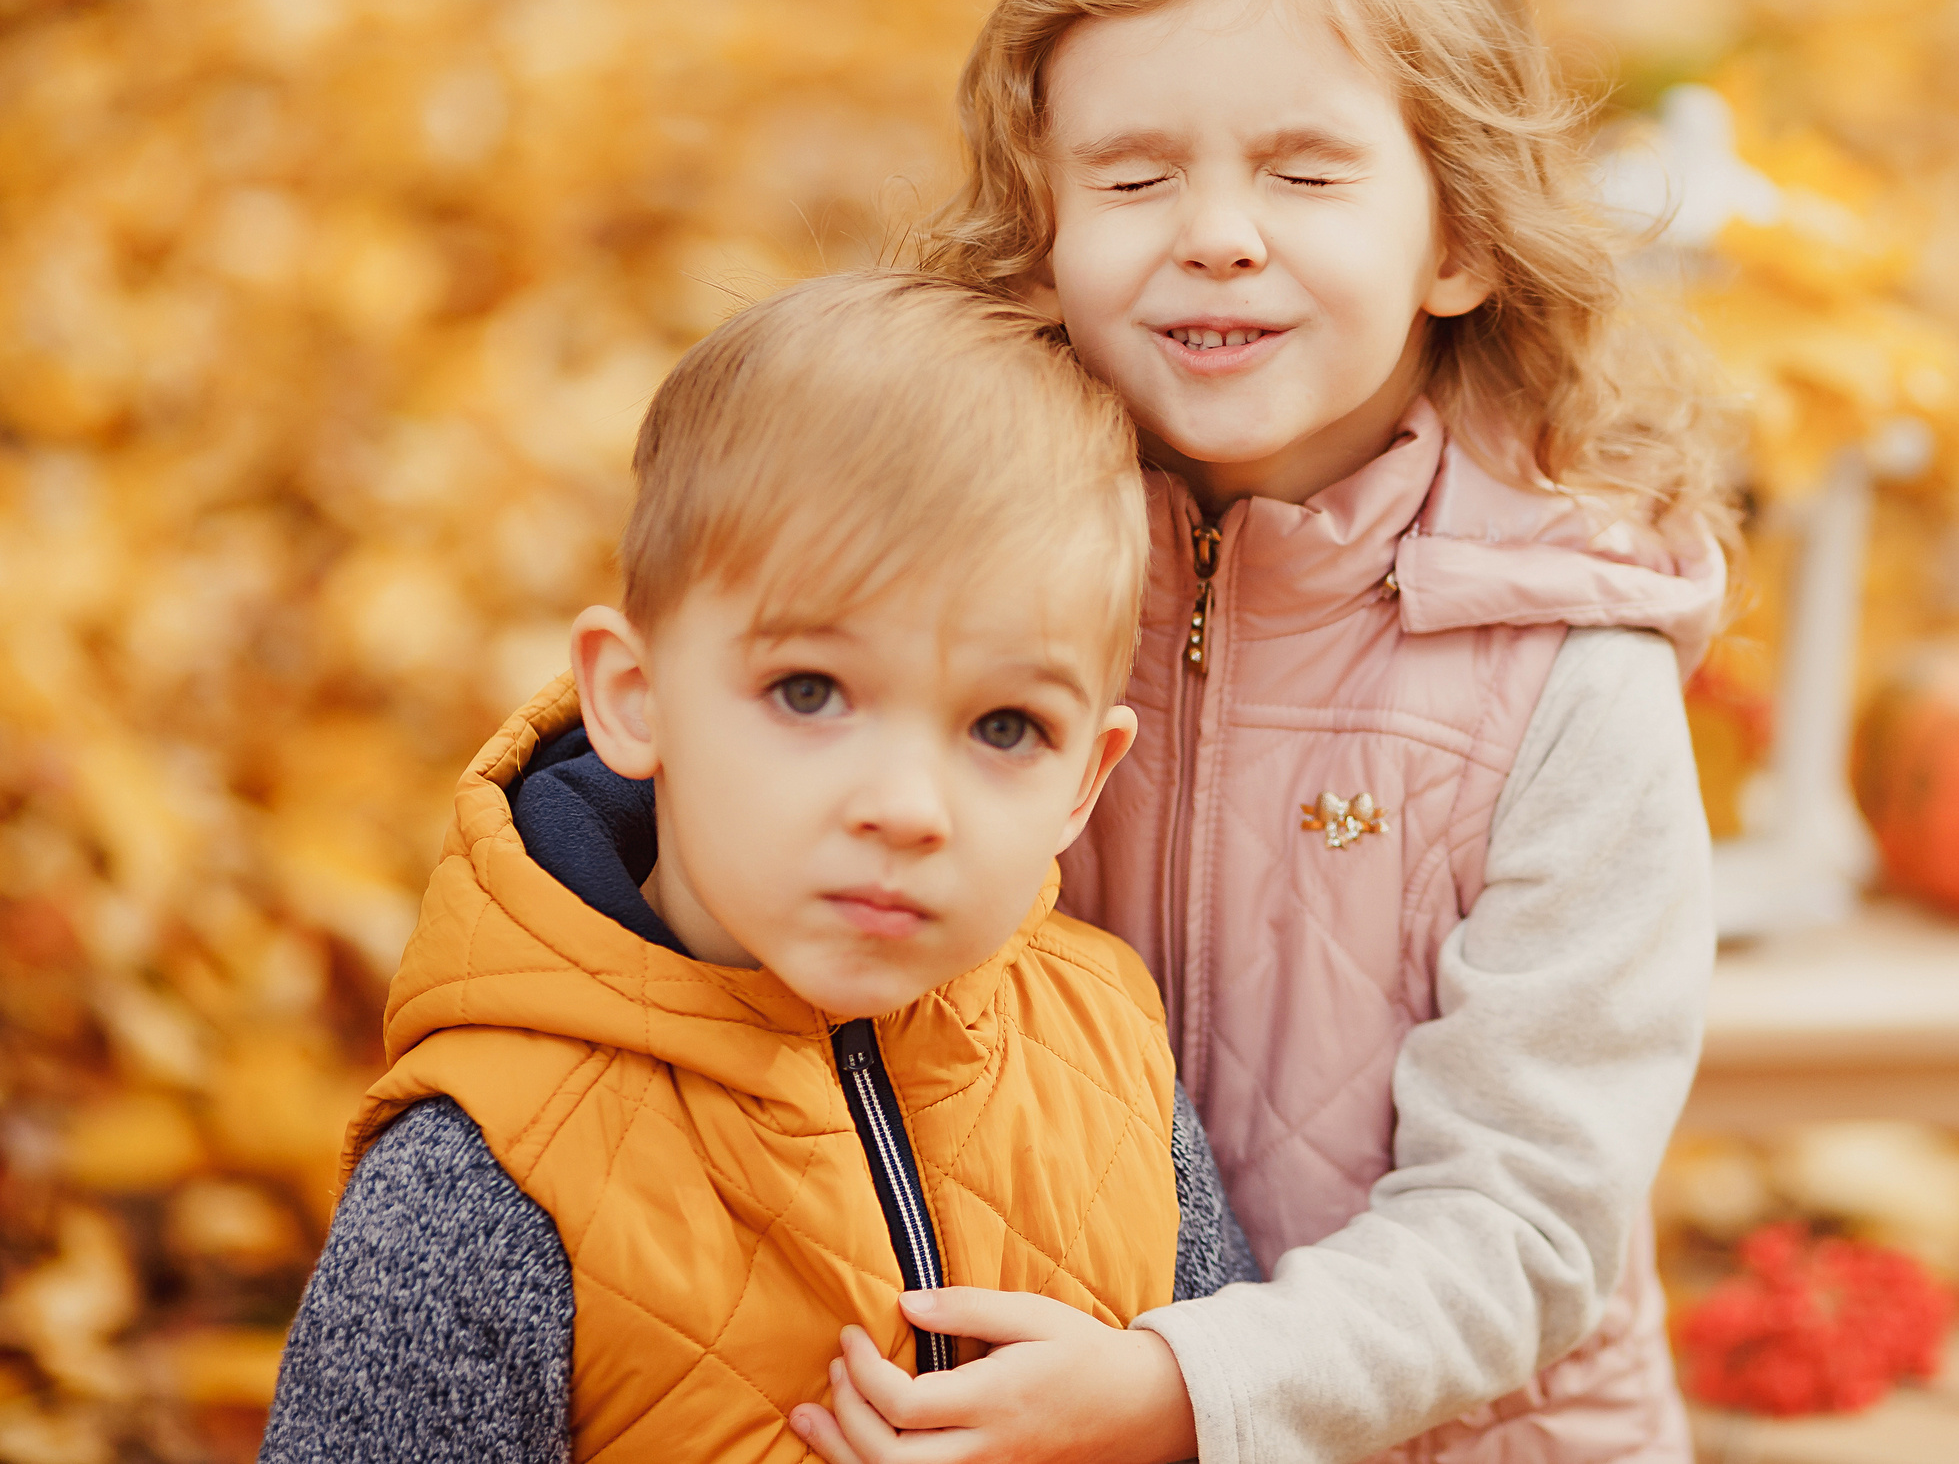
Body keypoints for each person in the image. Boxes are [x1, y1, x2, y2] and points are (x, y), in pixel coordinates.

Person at [799, 0, 1729, 1464]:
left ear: (1458, 240)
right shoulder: (967, 578)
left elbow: (1527, 1222)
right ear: (1043, 223)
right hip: (1019, 1396)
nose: (1217, 233)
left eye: (1305, 174)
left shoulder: (1567, 671)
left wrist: (1181, 1389)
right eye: (1135, 177)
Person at [257, 271, 1259, 1464]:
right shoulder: (493, 1176)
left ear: (1082, 782)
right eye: (810, 692)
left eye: (1005, 727)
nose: (906, 808)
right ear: (636, 697)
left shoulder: (1109, 1054)